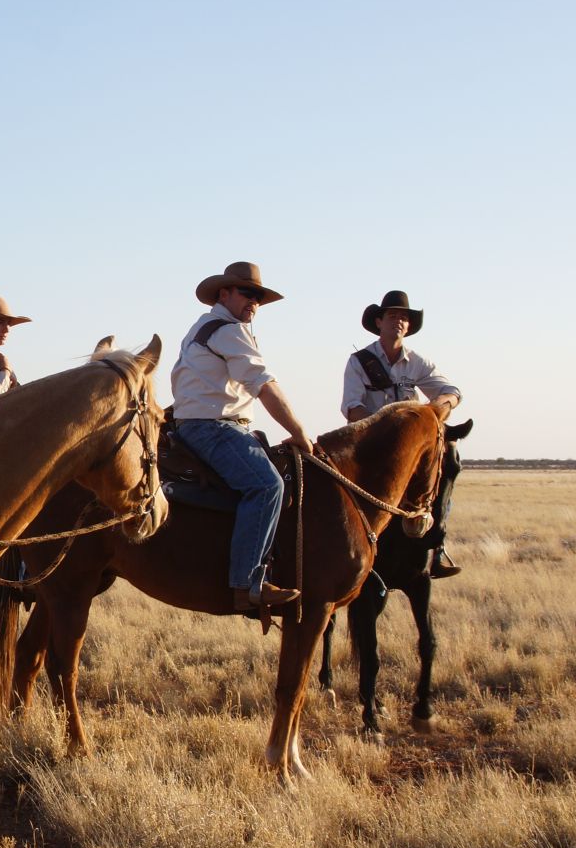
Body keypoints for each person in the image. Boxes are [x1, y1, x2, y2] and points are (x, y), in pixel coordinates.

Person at [171, 261, 315, 614]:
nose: (254, 302)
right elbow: (263, 385)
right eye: (247, 293)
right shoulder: (229, 330)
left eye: (259, 298)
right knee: (267, 486)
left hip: (195, 423)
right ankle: (247, 584)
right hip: (213, 427)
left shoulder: (202, 327)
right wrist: (298, 432)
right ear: (224, 294)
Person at [342, 289, 463, 577]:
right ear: (379, 322)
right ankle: (349, 552)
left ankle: (436, 549)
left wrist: (435, 411)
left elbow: (452, 392)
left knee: (446, 466)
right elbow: (352, 407)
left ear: (408, 327)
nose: (399, 321)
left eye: (404, 318)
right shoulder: (359, 361)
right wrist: (384, 428)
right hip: (372, 443)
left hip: (410, 447)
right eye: (393, 315)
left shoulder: (418, 362)